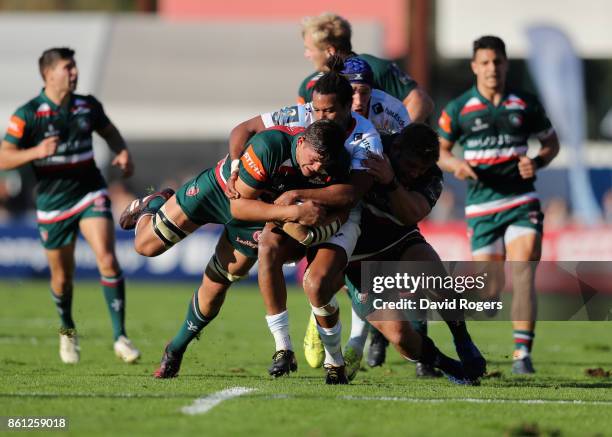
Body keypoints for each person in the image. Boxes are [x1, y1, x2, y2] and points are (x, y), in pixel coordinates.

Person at [118, 120, 350, 379]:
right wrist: (293, 212)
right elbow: (238, 206)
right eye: (314, 159)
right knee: (145, 247)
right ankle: (156, 203)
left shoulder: (335, 162)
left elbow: (344, 200)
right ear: (302, 141)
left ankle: (175, 349)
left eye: (323, 163)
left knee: (218, 285)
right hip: (220, 193)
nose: (317, 167)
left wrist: (308, 227)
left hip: (262, 215)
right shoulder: (271, 145)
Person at [227, 59, 383, 383]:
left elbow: (350, 194)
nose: (320, 117)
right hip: (296, 207)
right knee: (267, 247)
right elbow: (243, 130)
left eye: (328, 112)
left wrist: (295, 195)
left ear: (348, 107)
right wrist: (234, 165)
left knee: (316, 285)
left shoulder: (366, 136)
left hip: (341, 216)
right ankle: (283, 348)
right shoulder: (302, 115)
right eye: (317, 110)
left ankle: (335, 361)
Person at [0, 47, 140, 364]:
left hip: (90, 192)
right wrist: (34, 152)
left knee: (107, 257)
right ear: (49, 74)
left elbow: (110, 132)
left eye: (75, 67)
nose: (74, 72)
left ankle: (120, 337)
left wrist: (122, 151)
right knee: (62, 278)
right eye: (67, 68)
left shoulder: (87, 106)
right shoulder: (28, 114)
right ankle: (67, 330)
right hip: (52, 204)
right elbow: (4, 156)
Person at [436, 36, 560, 374]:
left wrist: (537, 161)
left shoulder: (525, 103)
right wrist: (456, 165)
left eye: (498, 62)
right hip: (482, 206)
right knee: (489, 295)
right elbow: (441, 152)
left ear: (506, 64)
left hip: (521, 200)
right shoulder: (458, 109)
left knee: (523, 272)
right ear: (475, 66)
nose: (492, 68)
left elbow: (551, 143)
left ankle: (523, 354)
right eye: (486, 62)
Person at [342, 123, 486, 382]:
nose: (415, 174)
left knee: (434, 275)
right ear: (395, 149)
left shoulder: (432, 176)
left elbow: (411, 214)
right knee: (399, 335)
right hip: (357, 258)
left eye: (421, 169)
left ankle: (463, 341)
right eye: (410, 166)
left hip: (398, 238)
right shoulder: (369, 150)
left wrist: (391, 181)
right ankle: (444, 364)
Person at [298, 12, 433, 123]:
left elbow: (421, 102)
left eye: (309, 49)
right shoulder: (309, 86)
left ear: (330, 51)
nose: (307, 55)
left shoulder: (377, 68)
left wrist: (396, 143)